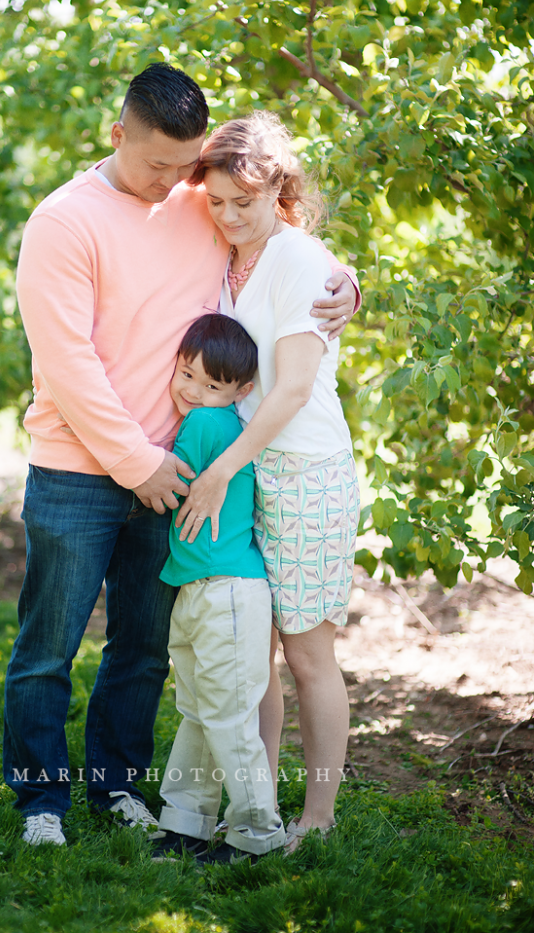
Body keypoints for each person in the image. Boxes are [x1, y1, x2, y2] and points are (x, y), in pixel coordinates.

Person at [6, 64, 359, 847]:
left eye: (184, 165)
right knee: (47, 649)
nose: (175, 182)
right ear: (116, 134)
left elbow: (285, 241)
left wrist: (347, 285)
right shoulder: (63, 222)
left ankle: (118, 787)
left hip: (181, 473)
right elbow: (67, 363)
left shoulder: (200, 199)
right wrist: (137, 463)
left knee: (140, 649)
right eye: (157, 164)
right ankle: (40, 802)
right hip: (80, 469)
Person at [176, 112, 360, 854]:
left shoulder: (297, 259)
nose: (226, 216)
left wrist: (219, 470)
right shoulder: (227, 259)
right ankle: (254, 805)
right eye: (215, 202)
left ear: (278, 189)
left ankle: (318, 817)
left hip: (303, 471)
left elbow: (287, 392)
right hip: (247, 471)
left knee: (308, 652)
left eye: (242, 203)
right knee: (252, 650)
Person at [152, 314, 285, 864]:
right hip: (202, 590)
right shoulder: (218, 420)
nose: (193, 392)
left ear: (240, 391)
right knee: (201, 710)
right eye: (186, 375)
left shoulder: (207, 425)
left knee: (226, 716)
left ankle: (258, 836)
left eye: (211, 384)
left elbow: (164, 482)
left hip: (224, 594)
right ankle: (187, 823)